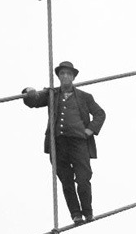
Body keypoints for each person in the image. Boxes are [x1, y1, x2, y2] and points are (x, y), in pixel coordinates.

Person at [21, 62, 106, 225]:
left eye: (68, 74)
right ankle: (76, 214)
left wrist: (89, 131)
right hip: (58, 143)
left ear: (73, 77)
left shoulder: (84, 97)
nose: (65, 76)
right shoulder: (52, 94)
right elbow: (33, 101)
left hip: (79, 142)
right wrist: (28, 92)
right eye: (62, 74)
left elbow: (100, 114)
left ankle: (87, 212)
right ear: (59, 77)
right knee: (66, 181)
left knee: (83, 179)